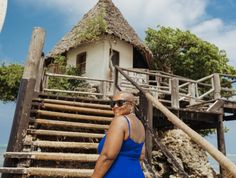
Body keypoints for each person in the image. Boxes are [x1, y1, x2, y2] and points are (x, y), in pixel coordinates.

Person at [91, 91, 145, 178]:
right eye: (112, 103)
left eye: (120, 103)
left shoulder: (120, 120)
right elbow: (142, 155)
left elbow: (108, 156)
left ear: (131, 105)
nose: (115, 106)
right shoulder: (140, 124)